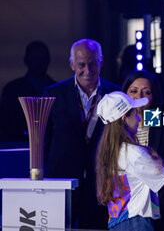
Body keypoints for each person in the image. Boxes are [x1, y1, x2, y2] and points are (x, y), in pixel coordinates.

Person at [95, 91, 164, 231]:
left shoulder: (113, 152)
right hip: (136, 224)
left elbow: (146, 179)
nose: (139, 119)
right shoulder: (133, 153)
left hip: (119, 224)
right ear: (124, 118)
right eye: (135, 114)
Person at [43, 39, 121, 229]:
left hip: (101, 185)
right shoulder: (51, 95)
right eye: (81, 64)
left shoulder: (117, 94)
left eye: (93, 63)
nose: (87, 69)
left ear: (101, 62)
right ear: (72, 64)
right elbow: (45, 142)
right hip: (61, 183)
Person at [122, 70, 164, 231]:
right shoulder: (115, 128)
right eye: (133, 91)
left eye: (146, 92)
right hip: (127, 214)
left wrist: (157, 207)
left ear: (153, 97)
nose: (139, 97)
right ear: (124, 94)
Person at [0, 41, 56, 142]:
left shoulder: (58, 91)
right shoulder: (12, 90)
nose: (39, 63)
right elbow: (6, 124)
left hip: (50, 147)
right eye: (35, 58)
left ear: (48, 61)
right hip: (18, 145)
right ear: (26, 60)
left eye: (42, 58)